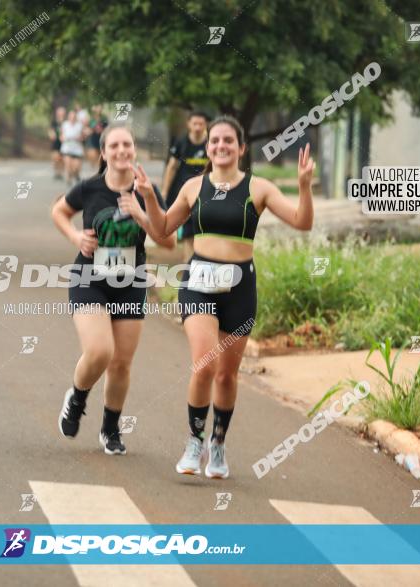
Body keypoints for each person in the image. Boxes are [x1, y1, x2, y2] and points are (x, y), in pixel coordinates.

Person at [140, 115, 314, 478]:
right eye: (215, 141)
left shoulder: (259, 189)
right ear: (208, 147)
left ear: (240, 147)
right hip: (198, 282)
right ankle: (194, 441)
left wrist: (304, 186)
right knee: (204, 364)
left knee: (226, 375)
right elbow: (162, 230)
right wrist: (148, 199)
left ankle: (217, 445)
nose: (220, 146)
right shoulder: (192, 187)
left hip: (240, 289)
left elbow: (302, 221)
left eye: (228, 141)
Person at [51, 123, 175, 455]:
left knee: (121, 363)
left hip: (130, 282)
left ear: (134, 150)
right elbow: (59, 211)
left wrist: (143, 213)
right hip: (89, 278)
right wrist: (76, 237)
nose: (122, 151)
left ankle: (110, 429)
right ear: (103, 153)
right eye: (114, 146)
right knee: (100, 351)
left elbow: (169, 238)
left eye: (127, 145)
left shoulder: (147, 190)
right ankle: (77, 398)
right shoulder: (90, 188)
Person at [161, 111, 209, 261]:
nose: (197, 127)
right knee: (188, 233)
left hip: (206, 193)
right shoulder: (181, 142)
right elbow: (172, 167)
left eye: (201, 124)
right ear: (189, 124)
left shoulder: (211, 143)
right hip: (185, 194)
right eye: (195, 123)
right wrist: (164, 191)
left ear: (205, 125)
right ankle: (188, 265)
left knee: (203, 232)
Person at [60, 109, 85, 185]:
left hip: (77, 149)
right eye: (71, 116)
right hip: (67, 148)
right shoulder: (65, 124)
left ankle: (76, 174)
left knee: (76, 167)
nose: (72, 118)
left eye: (74, 116)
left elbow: (83, 136)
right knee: (68, 165)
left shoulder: (80, 125)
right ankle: (69, 178)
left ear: (76, 117)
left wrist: (80, 138)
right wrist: (62, 138)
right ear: (68, 117)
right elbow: (61, 135)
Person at [85, 104, 108, 170]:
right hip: (92, 138)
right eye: (97, 107)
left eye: (99, 107)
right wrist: (88, 130)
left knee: (100, 155)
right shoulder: (91, 119)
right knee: (93, 154)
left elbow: (107, 128)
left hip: (101, 138)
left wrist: (102, 131)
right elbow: (87, 128)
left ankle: (99, 168)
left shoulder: (104, 118)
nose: (98, 109)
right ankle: (95, 167)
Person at [49, 105, 66, 180]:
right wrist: (51, 134)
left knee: (62, 159)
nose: (61, 114)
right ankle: (56, 172)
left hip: (64, 143)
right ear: (57, 113)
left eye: (62, 112)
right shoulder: (54, 122)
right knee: (55, 158)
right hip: (55, 142)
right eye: (59, 112)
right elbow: (50, 130)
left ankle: (61, 172)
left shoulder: (66, 122)